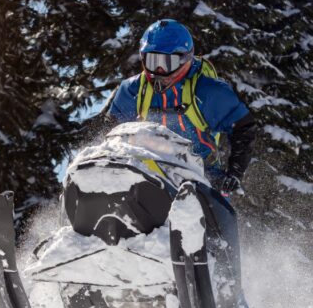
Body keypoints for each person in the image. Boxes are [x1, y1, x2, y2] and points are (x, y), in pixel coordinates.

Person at [105, 19, 256, 195]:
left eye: (167, 63)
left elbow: (243, 127)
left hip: (201, 177)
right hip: (147, 171)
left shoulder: (209, 92)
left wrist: (234, 173)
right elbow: (111, 130)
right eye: (153, 61)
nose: (159, 71)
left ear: (186, 59)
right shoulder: (133, 90)